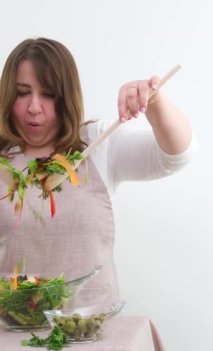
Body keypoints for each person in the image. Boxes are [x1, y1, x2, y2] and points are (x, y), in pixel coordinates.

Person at [0, 37, 197, 307]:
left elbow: (177, 155)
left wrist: (155, 104)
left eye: (48, 94)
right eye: (23, 93)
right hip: (11, 338)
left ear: (66, 96)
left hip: (92, 335)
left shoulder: (99, 143)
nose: (34, 107)